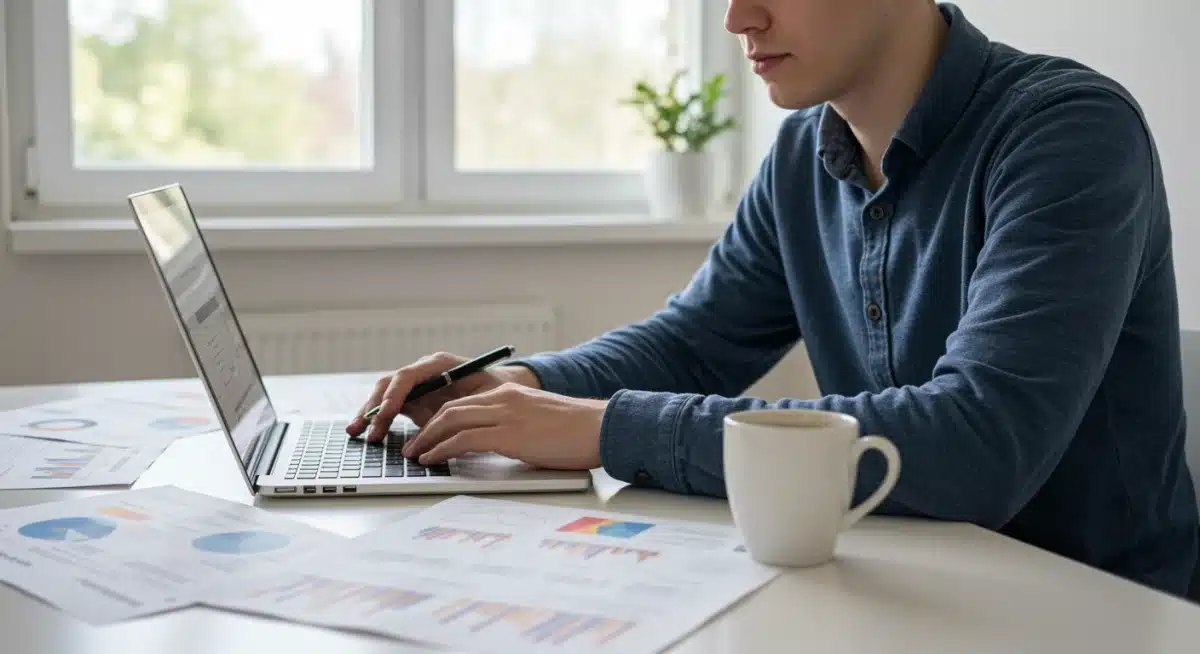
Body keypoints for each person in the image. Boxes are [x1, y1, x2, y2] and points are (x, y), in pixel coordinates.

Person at [347, 0, 1199, 597]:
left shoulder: (1069, 133)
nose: (737, 18)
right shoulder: (804, 154)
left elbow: (980, 446)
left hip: (1088, 612)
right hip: (911, 578)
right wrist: (526, 384)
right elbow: (695, 341)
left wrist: (605, 428)